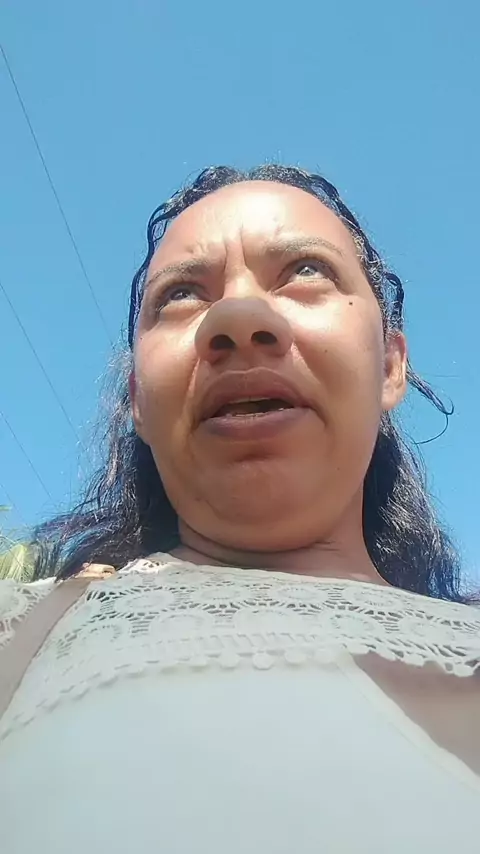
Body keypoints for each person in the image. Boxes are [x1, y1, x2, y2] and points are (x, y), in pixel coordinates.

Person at [1, 165, 479, 853]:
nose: (237, 319)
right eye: (182, 295)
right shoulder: (27, 632)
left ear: (389, 367)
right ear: (137, 399)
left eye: (306, 272)